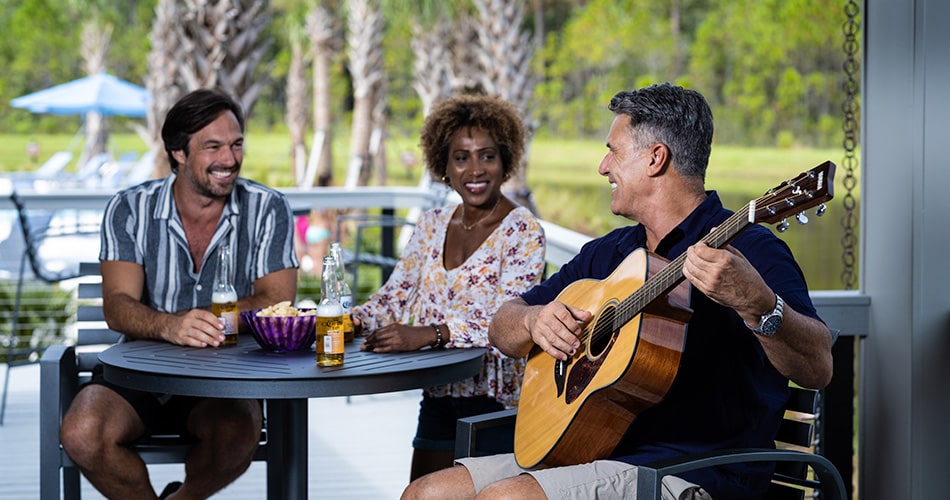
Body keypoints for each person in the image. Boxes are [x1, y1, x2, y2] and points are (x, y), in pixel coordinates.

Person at [402, 83, 834, 500]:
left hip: (691, 471)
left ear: (655, 159)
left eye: (613, 151)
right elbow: (503, 324)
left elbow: (818, 367)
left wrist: (758, 304)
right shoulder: (611, 253)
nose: (603, 167)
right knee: (425, 493)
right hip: (588, 449)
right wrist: (534, 321)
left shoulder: (750, 249)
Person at [59, 88, 299, 499]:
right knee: (82, 433)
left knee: (238, 434)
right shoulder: (129, 209)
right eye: (213, 147)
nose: (230, 159)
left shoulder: (268, 208)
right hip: (138, 372)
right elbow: (118, 306)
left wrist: (206, 322)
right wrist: (171, 326)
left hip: (226, 379)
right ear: (179, 153)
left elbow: (277, 302)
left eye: (236, 144)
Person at [353, 94, 547, 480]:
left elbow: (511, 321)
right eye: (461, 157)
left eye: (487, 156)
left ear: (505, 160)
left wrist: (431, 333)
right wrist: (349, 322)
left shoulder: (523, 231)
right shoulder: (431, 224)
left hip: (499, 403)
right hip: (439, 394)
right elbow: (394, 297)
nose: (475, 170)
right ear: (444, 165)